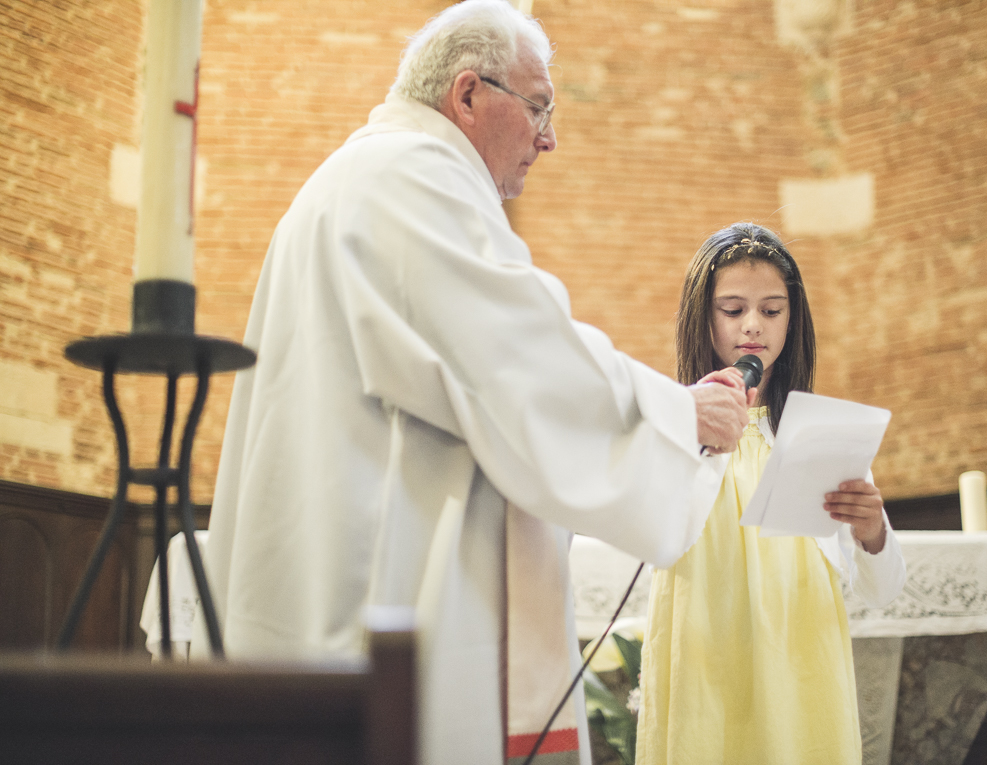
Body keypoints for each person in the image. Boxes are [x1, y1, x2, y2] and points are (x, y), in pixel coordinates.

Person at [195, 3, 750, 765]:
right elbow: (521, 358)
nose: (550, 137)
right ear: (467, 95)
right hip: (379, 595)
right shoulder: (409, 176)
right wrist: (680, 411)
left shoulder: (363, 175)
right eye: (539, 108)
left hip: (339, 579)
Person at [635, 223, 908, 765]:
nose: (753, 326)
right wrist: (686, 427)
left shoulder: (822, 431)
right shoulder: (672, 420)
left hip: (801, 649)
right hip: (706, 646)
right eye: (733, 310)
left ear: (793, 318)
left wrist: (872, 531)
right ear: (702, 316)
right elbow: (644, 528)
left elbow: (882, 592)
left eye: (772, 309)